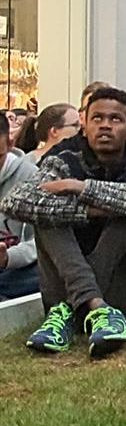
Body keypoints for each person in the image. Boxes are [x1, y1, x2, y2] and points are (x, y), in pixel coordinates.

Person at [5, 88, 126, 356]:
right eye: (97, 118)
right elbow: (16, 201)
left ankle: (82, 308)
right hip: (68, 292)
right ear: (84, 126)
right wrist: (90, 211)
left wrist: (81, 188)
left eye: (115, 119)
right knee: (47, 216)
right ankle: (95, 306)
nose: (105, 125)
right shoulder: (63, 157)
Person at [0, 121, 40, 300]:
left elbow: (42, 244)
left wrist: (8, 258)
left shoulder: (33, 178)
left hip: (16, 268)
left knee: (43, 275)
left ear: (10, 144)